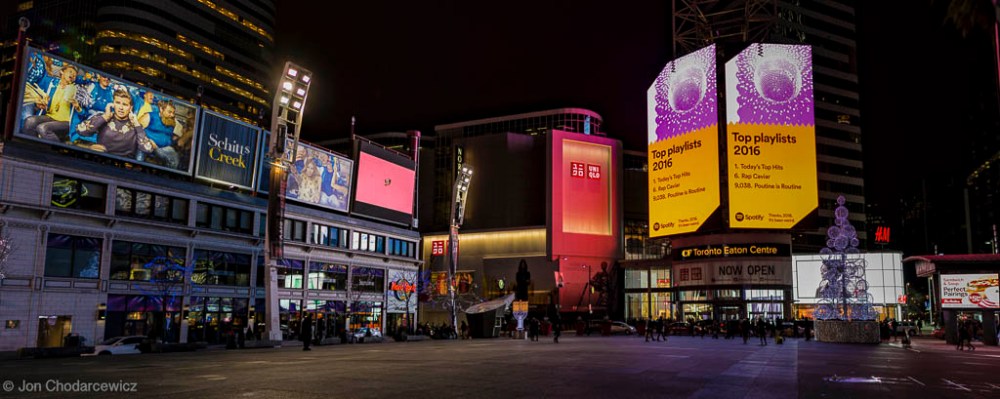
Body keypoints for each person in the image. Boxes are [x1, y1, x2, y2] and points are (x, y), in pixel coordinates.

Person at [74, 89, 152, 158]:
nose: (121, 108)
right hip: (100, 159)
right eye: (118, 103)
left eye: (124, 104)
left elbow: (148, 149)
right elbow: (80, 130)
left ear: (130, 108)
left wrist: (137, 124)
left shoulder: (136, 125)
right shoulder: (103, 117)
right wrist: (104, 117)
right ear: (113, 104)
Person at [23, 63, 80, 142]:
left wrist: (77, 106)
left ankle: (54, 151)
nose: (73, 75)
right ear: (62, 72)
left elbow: (82, 112)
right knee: (29, 121)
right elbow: (43, 100)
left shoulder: (76, 90)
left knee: (42, 128)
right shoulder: (52, 84)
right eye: (70, 72)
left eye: (75, 75)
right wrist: (40, 105)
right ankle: (31, 145)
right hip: (50, 117)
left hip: (66, 122)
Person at [137, 99, 183, 168]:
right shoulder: (149, 116)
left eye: (173, 113)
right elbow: (136, 129)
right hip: (147, 146)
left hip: (164, 150)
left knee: (174, 158)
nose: (172, 115)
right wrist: (147, 140)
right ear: (161, 109)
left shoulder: (172, 121)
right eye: (169, 112)